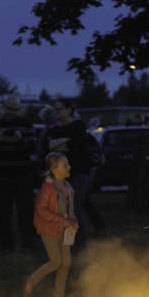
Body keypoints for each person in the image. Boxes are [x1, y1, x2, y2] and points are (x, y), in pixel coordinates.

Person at [44, 99, 102, 249]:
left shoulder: (78, 126)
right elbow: (48, 146)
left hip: (78, 172)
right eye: (55, 110)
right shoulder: (54, 130)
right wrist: (64, 143)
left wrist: (61, 144)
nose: (57, 112)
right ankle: (68, 241)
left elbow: (76, 146)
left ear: (69, 110)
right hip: (60, 175)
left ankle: (79, 243)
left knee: (75, 207)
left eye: (60, 109)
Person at [23, 152, 78, 297]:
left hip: (66, 230)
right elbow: (41, 209)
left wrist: (73, 220)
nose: (69, 167)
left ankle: (58, 294)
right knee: (56, 261)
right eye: (65, 165)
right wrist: (60, 220)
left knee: (66, 262)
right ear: (54, 169)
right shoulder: (47, 188)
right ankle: (31, 280)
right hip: (50, 230)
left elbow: (69, 208)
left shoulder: (68, 187)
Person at [0, 95, 38, 252]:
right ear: (4, 107)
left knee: (26, 211)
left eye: (16, 109)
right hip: (1, 173)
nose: (13, 112)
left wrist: (18, 141)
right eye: (10, 108)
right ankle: (6, 245)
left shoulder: (26, 125)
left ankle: (27, 244)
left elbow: (32, 146)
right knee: (3, 212)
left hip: (22, 173)